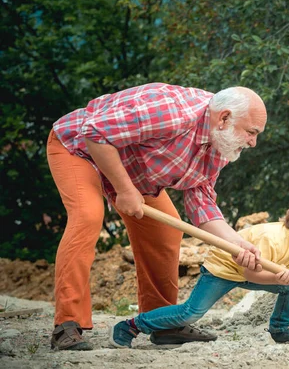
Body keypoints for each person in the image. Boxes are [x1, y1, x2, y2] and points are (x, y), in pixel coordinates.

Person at [46, 83, 267, 350]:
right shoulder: (174, 113)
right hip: (80, 148)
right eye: (251, 132)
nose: (254, 142)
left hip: (131, 169)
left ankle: (161, 322)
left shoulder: (220, 144)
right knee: (88, 217)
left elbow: (201, 201)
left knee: (165, 232)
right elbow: (94, 132)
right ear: (224, 118)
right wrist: (125, 190)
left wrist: (235, 243)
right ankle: (66, 324)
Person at [108, 186, 289, 348]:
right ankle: (132, 325)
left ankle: (279, 329)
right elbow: (249, 273)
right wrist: (278, 277)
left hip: (253, 271)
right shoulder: (273, 240)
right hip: (222, 269)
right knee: (190, 313)